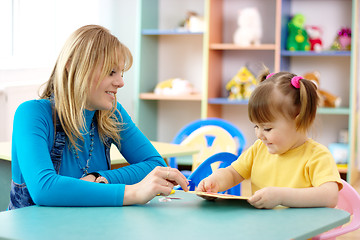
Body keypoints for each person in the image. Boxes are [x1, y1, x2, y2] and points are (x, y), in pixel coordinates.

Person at [8, 25, 188, 210]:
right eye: (111, 72)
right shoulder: (32, 114)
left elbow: (155, 165)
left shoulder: (111, 114)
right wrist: (133, 193)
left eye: (121, 73)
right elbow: (44, 188)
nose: (120, 82)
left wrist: (99, 178)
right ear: (72, 66)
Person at [197, 68, 342, 209]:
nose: (259, 134)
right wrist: (215, 181)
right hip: (263, 230)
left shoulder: (317, 156)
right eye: (256, 126)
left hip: (299, 232)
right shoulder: (258, 149)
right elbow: (233, 173)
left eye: (267, 128)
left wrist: (281, 196)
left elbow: (330, 196)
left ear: (299, 120)